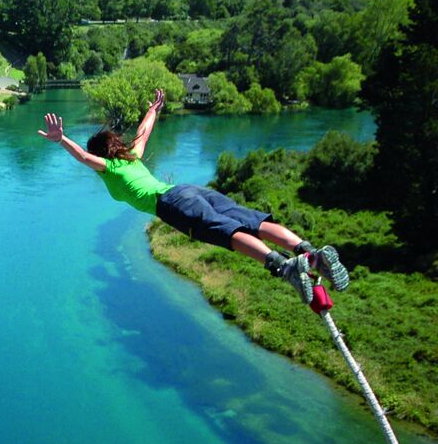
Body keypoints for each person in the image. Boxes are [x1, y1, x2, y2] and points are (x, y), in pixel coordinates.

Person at [38, 89, 350, 302]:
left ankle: (283, 267)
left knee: (225, 232)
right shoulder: (131, 156)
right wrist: (153, 109)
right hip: (188, 189)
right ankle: (308, 251)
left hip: (172, 203)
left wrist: (61, 139)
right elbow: (143, 132)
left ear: (101, 155)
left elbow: (82, 157)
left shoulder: (108, 167)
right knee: (250, 220)